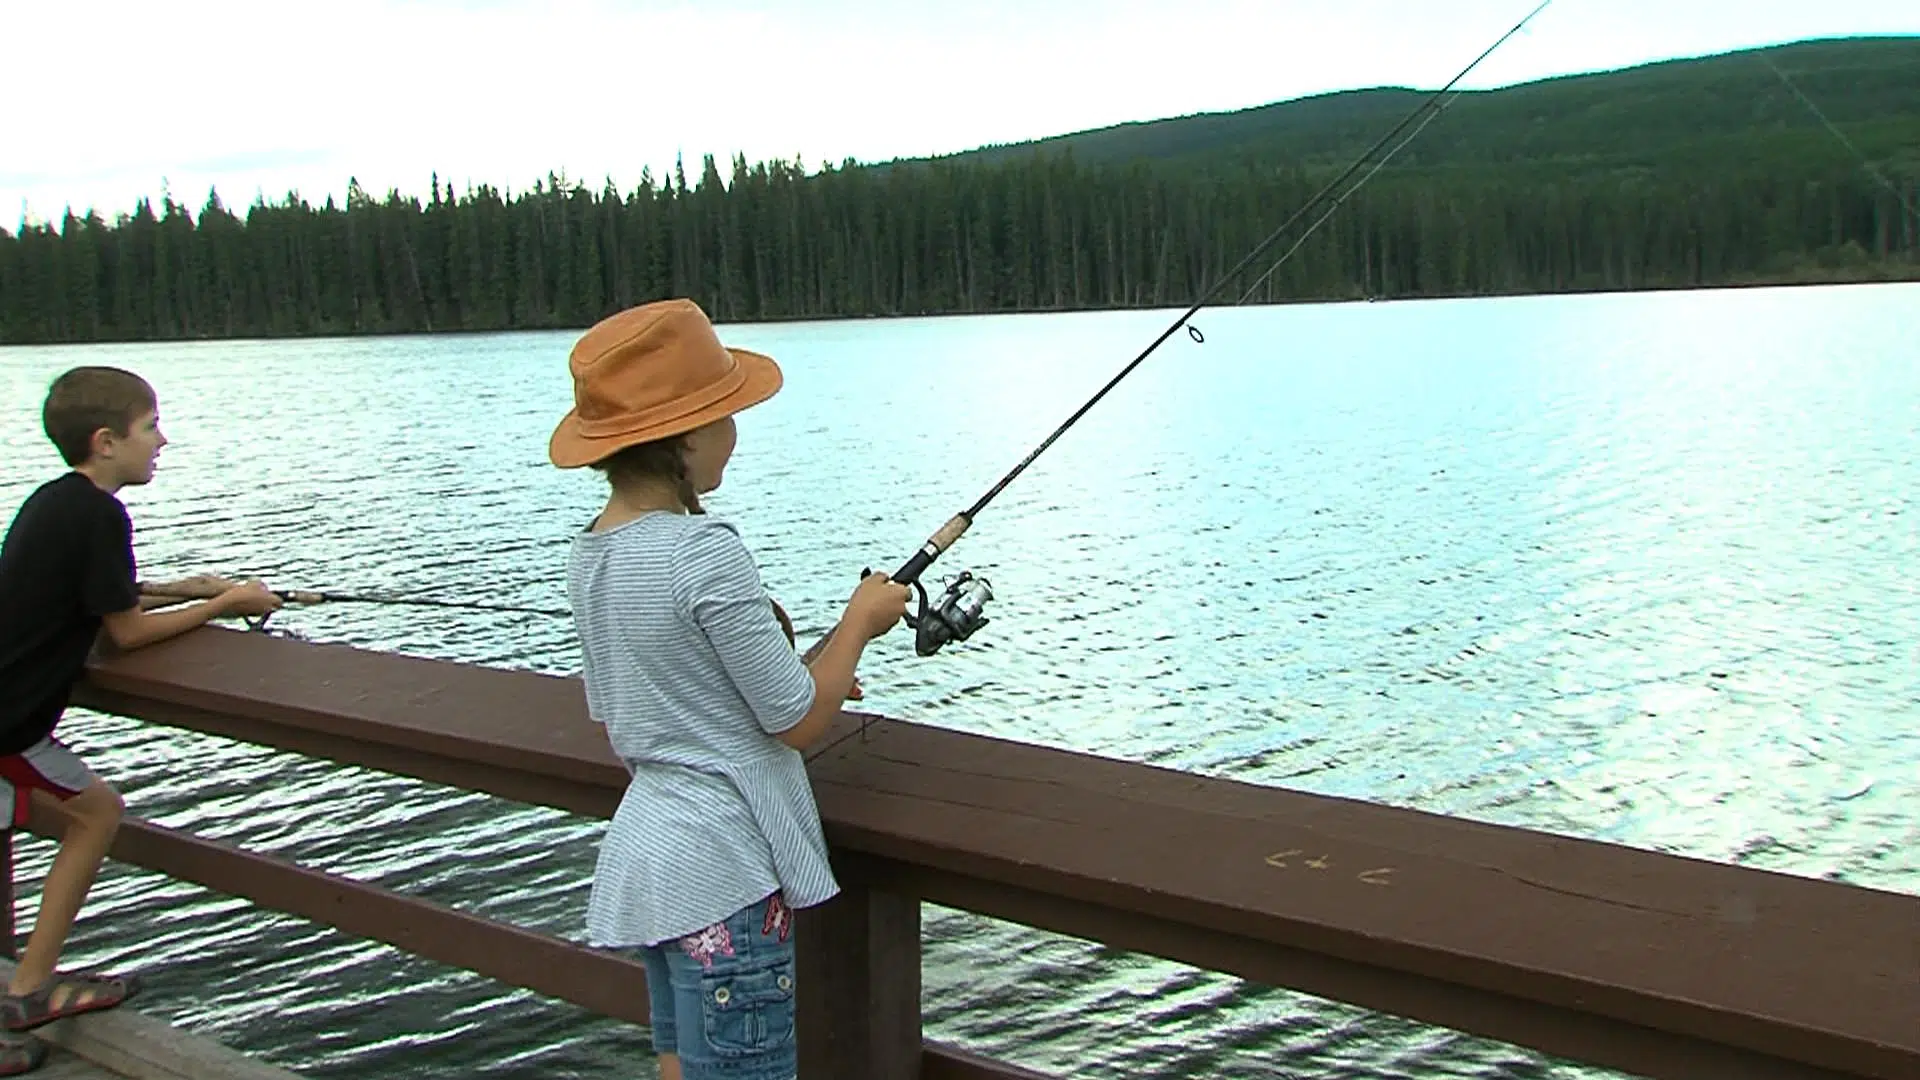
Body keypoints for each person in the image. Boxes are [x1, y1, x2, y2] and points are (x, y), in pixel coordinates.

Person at [549, 299, 908, 1080]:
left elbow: (629, 708)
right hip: (726, 874)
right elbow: (797, 721)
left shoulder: (591, 556)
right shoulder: (704, 551)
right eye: (726, 414)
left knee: (679, 1065)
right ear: (682, 436)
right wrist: (859, 623)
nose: (735, 432)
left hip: (654, 860)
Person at [0, 366, 279, 1075]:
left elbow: (96, 590)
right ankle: (30, 989)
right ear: (105, 442)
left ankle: (22, 995)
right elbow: (122, 632)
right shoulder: (102, 514)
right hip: (8, 726)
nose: (163, 441)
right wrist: (222, 607)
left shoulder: (55, 503)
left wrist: (188, 586)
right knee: (98, 814)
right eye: (150, 427)